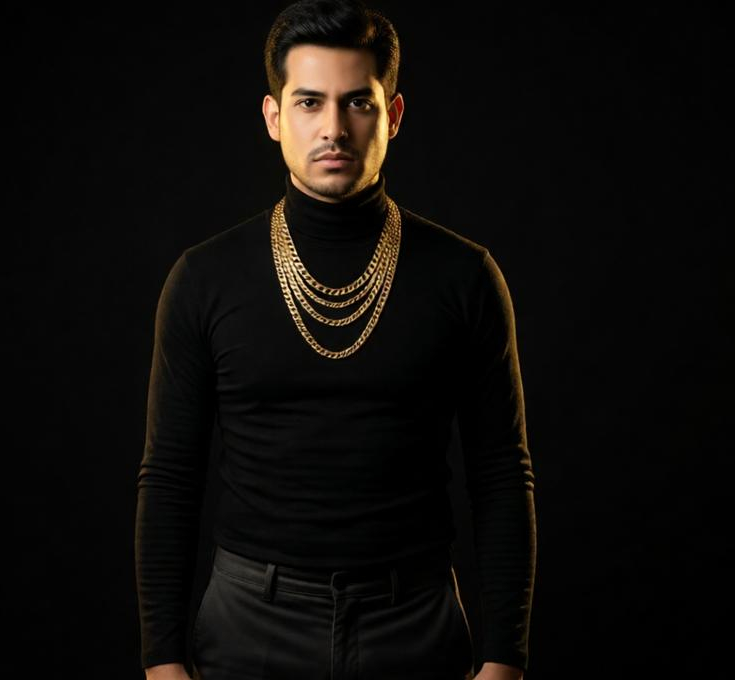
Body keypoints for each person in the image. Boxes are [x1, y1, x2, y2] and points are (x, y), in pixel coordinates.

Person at [135, 1, 536, 678]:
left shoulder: (463, 275)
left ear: (394, 116)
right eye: (309, 102)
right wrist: (161, 659)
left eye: (358, 104)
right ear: (273, 117)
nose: (334, 129)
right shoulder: (205, 278)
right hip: (247, 624)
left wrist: (505, 659)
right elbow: (171, 476)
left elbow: (501, 473)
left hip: (413, 620)